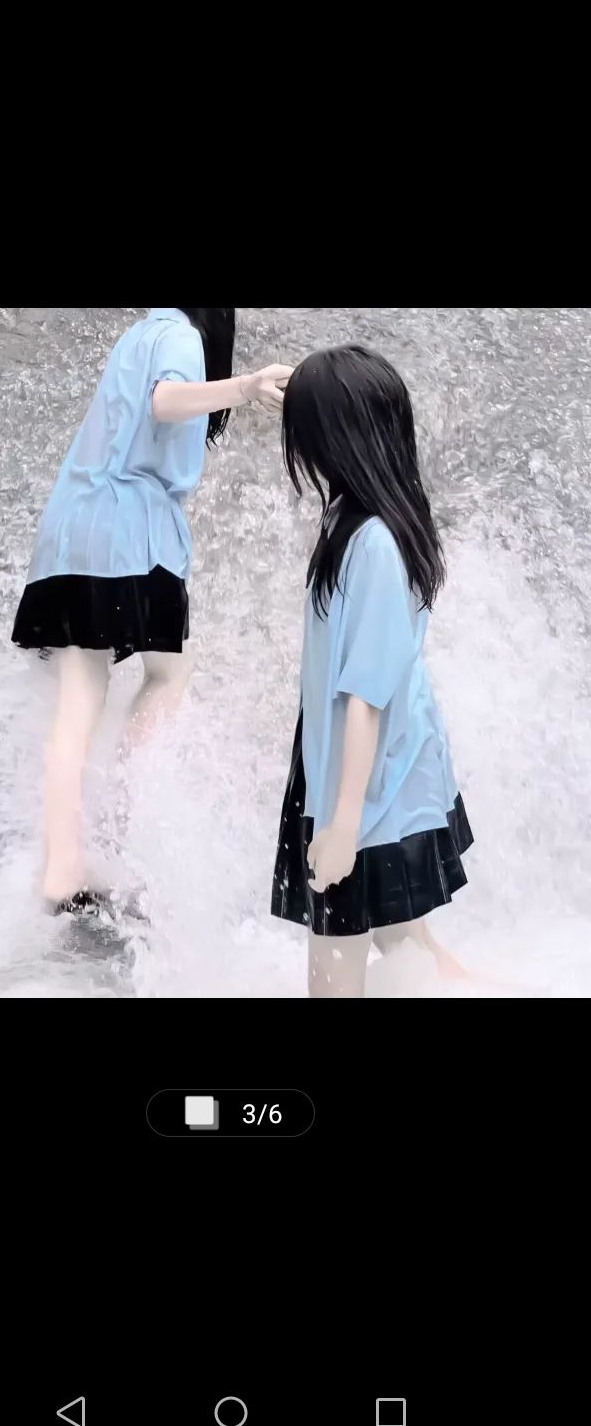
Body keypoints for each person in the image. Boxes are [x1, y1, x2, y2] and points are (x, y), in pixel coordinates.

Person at [12, 307, 292, 913]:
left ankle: (61, 865)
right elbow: (164, 401)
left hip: (71, 532)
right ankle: (116, 826)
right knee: (170, 673)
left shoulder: (140, 334)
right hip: (127, 535)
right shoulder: (181, 336)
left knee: (81, 694)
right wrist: (246, 387)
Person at [270, 344, 473, 998]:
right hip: (362, 776)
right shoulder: (356, 519)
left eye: (304, 430)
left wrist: (343, 827)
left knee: (336, 979)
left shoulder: (375, 543)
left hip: (367, 790)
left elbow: (367, 698)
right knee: (405, 945)